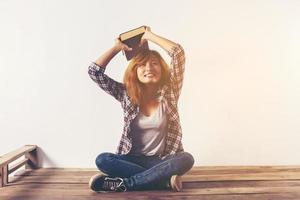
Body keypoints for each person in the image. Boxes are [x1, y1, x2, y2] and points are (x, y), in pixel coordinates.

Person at [87, 26, 194, 192]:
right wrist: (117, 48)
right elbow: (94, 72)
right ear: (134, 71)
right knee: (103, 160)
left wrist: (149, 36)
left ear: (162, 69)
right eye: (142, 65)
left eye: (154, 64)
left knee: (186, 158)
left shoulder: (170, 91)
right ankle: (163, 182)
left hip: (162, 160)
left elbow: (178, 53)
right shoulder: (125, 94)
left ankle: (125, 184)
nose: (149, 68)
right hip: (131, 159)